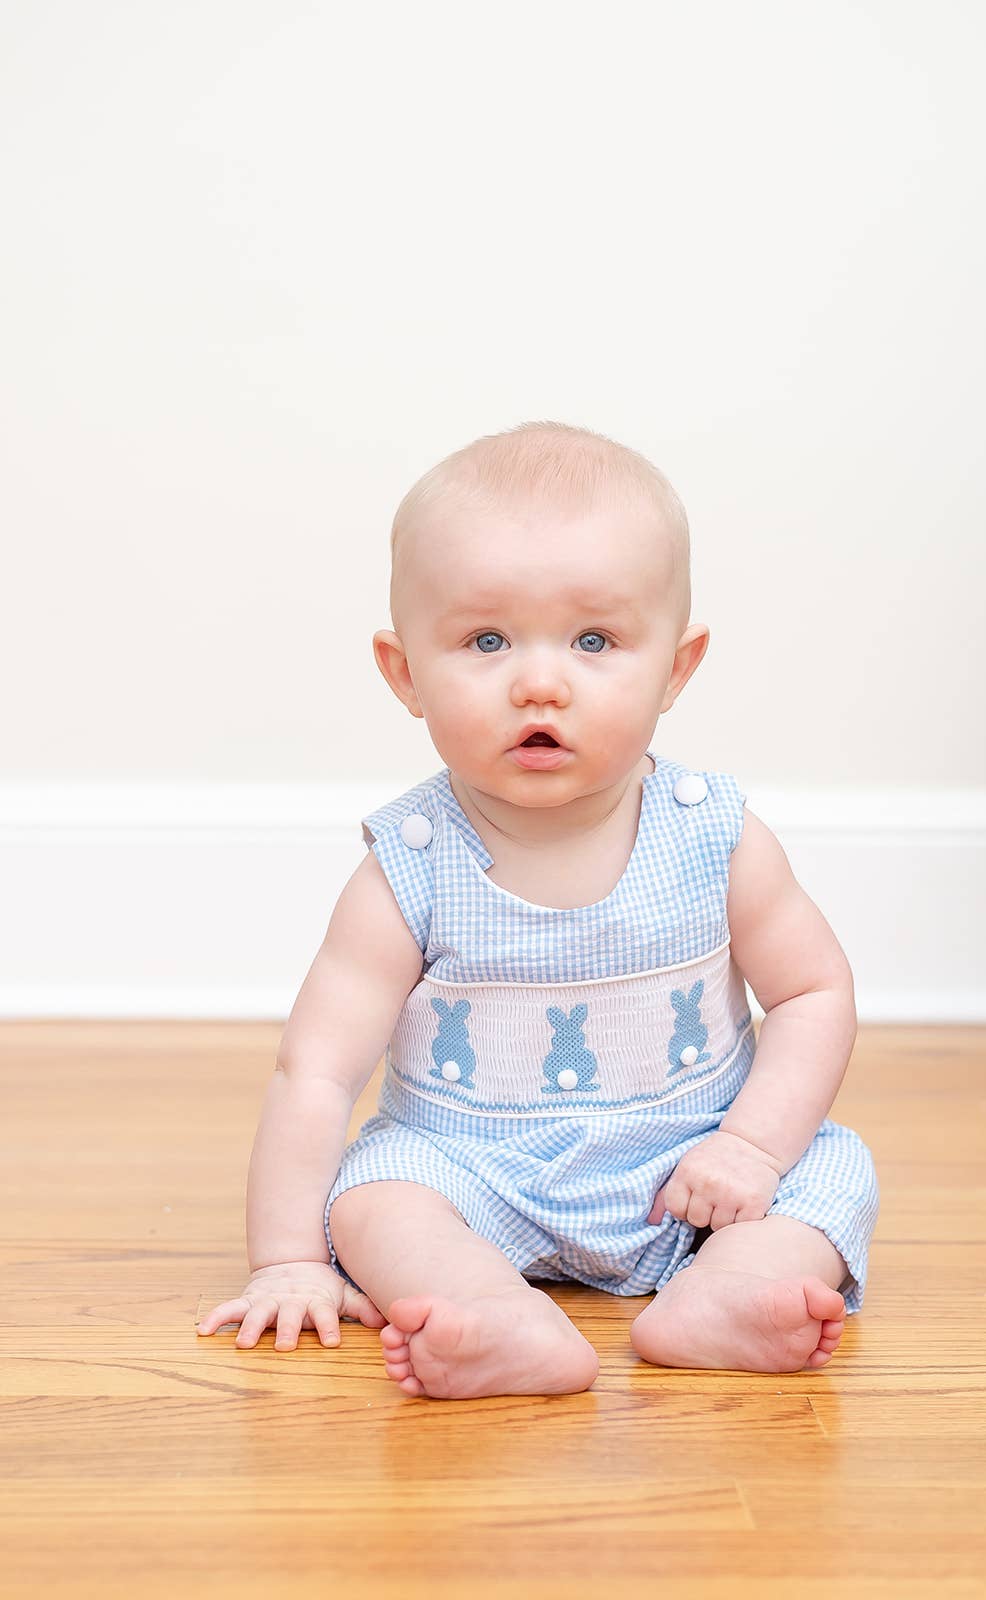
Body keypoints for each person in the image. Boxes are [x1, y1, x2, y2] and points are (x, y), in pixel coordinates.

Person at [197, 420, 879, 1399]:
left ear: (677, 669)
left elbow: (814, 991)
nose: (541, 681)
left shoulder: (714, 836)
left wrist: (752, 1145)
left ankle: (733, 1287)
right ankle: (491, 1312)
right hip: (473, 1171)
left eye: (595, 639)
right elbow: (316, 1069)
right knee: (375, 1198)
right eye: (485, 640)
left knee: (832, 1170)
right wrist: (286, 1258)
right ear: (406, 675)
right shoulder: (411, 867)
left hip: (690, 1169)